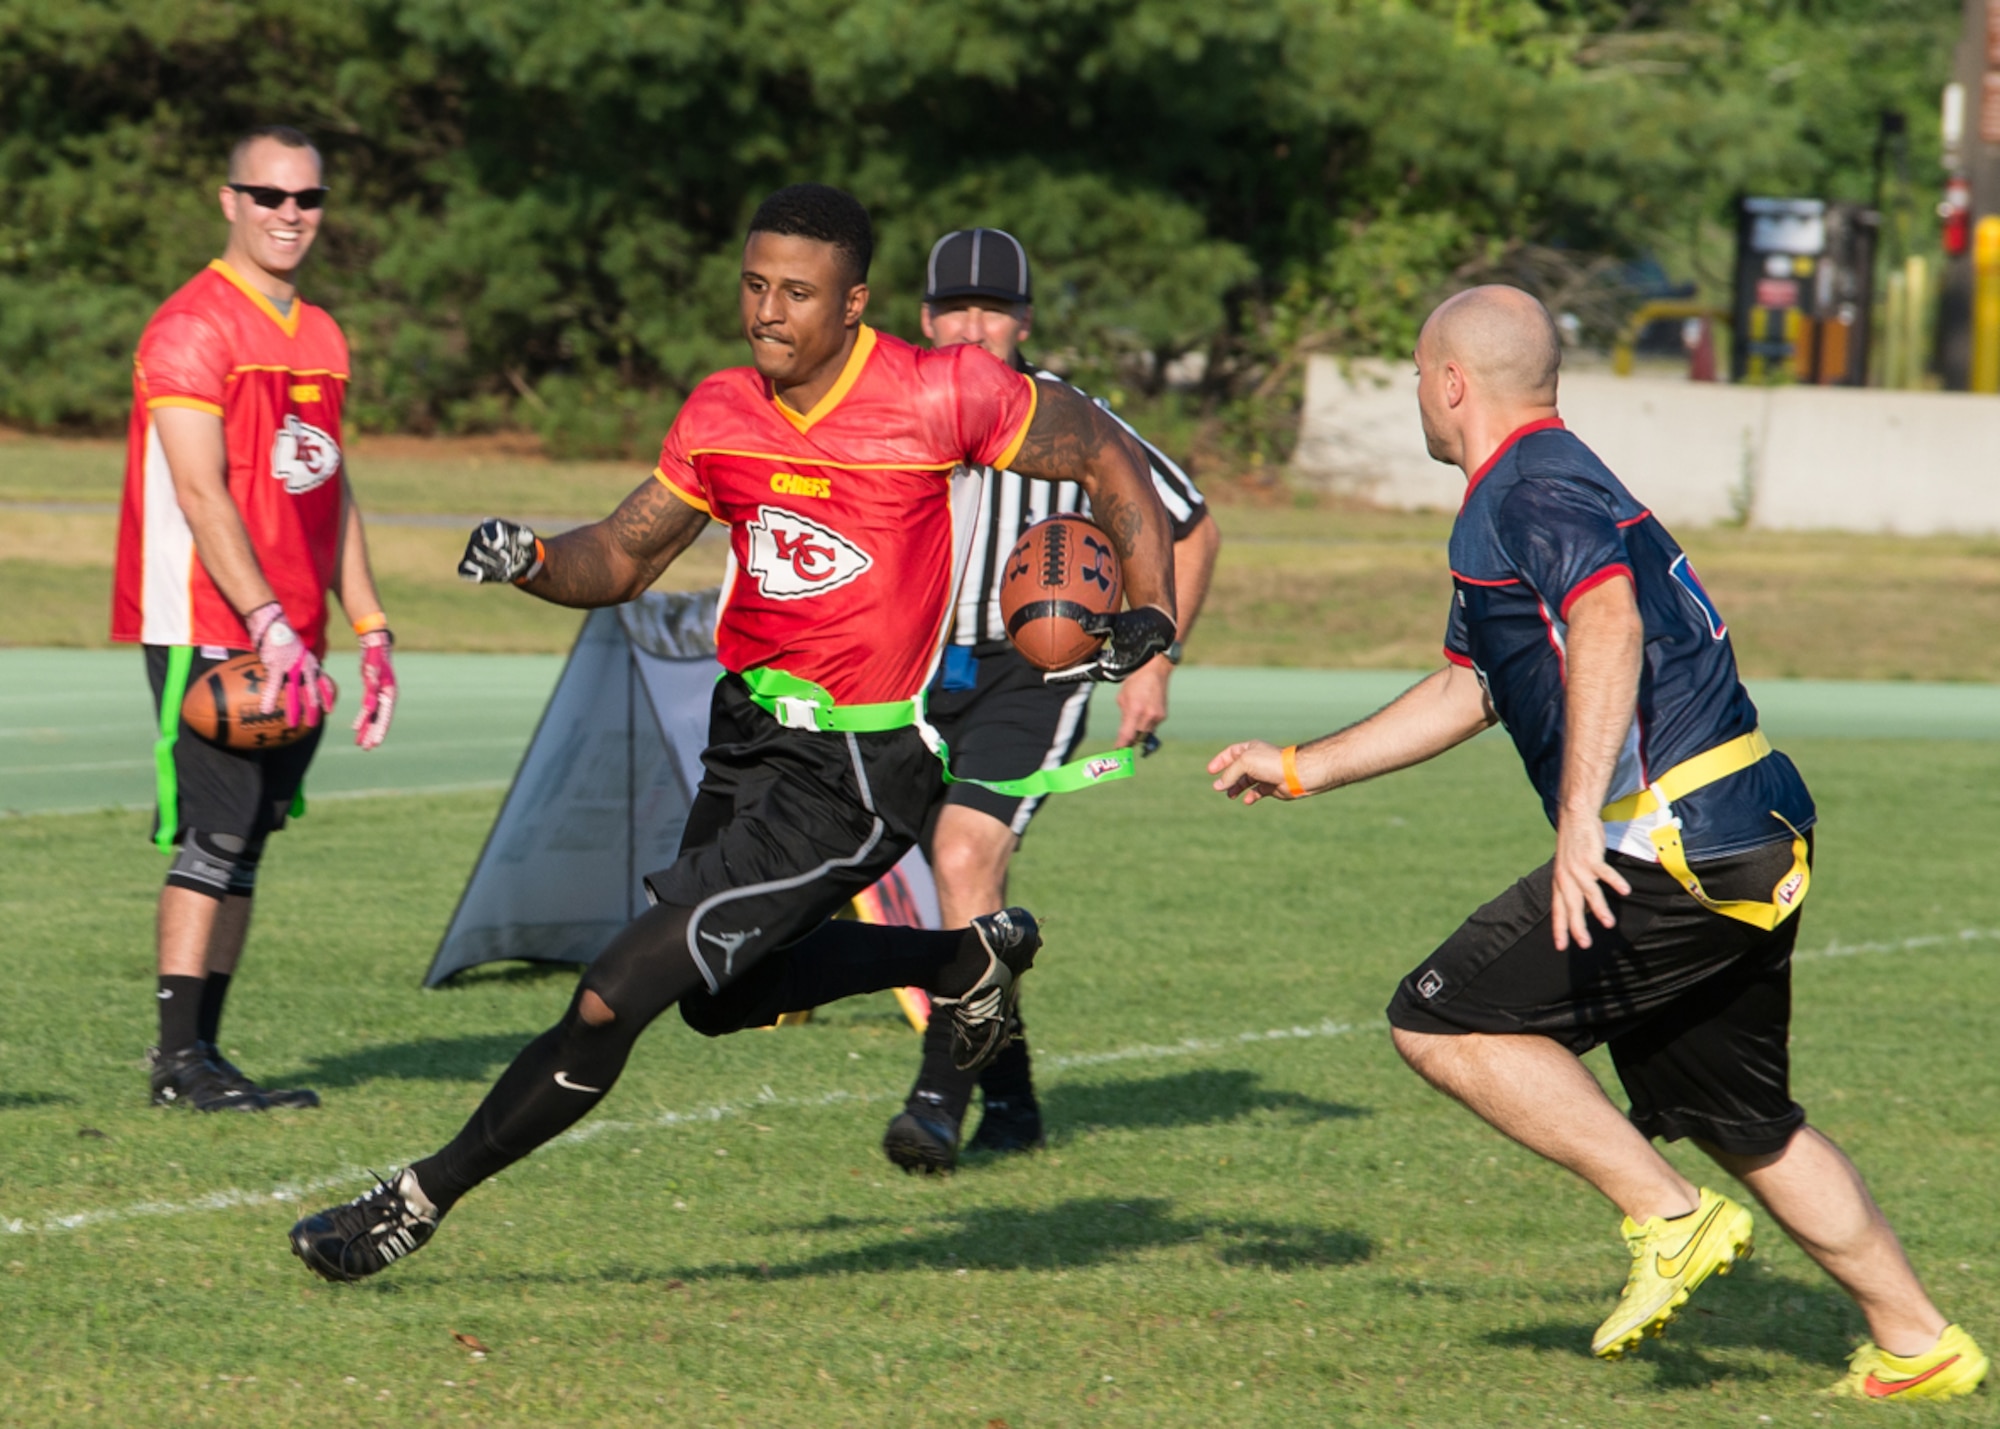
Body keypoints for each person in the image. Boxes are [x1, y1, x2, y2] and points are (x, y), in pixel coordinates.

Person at [287, 183, 1178, 1282]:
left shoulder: (941, 392)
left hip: (855, 770)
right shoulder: (719, 411)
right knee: (719, 1003)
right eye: (754, 285)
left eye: (795, 292)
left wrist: (1148, 609)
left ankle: (413, 1202)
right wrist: (529, 558)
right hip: (744, 739)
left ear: (853, 303)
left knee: (612, 991)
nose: (767, 310)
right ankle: (960, 957)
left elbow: (1099, 450)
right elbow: (618, 555)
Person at [1207, 286, 1988, 1401]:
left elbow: (1606, 615)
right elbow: (1470, 682)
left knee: (1437, 1019)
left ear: (1449, 385)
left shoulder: (1523, 486)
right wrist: (1299, 766)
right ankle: (1920, 1344)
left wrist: (1581, 821)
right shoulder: (1545, 480)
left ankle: (1665, 1219)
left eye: (1419, 383)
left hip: (1666, 840)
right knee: (1740, 1120)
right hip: (1746, 831)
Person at [880, 228, 1220, 1173]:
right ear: (925, 316)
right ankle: (1018, 1104)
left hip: (1033, 670)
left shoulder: (1070, 417)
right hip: (907, 671)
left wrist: (1156, 657)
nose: (974, 326)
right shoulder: (888, 407)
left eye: (995, 309)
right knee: (957, 894)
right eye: (957, 308)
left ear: (1025, 319)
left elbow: (1189, 528)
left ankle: (936, 1102)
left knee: (962, 855)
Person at [112, 125, 399, 1114]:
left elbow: (332, 486)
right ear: (226, 198)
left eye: (306, 199)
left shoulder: (319, 331)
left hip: (292, 627)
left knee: (251, 837)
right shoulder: (191, 327)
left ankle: (205, 1052)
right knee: (213, 832)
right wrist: (268, 618)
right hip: (209, 616)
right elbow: (200, 494)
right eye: (267, 195)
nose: (289, 215)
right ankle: (174, 1061)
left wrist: (365, 619)